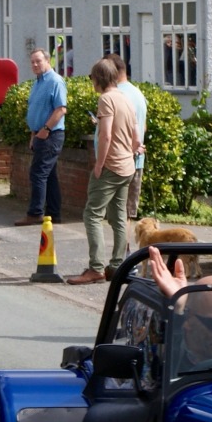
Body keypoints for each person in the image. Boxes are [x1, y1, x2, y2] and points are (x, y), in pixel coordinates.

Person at [66, 58, 139, 285]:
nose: (92, 82)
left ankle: (96, 268)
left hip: (111, 166)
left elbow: (105, 135)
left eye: (92, 78)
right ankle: (117, 266)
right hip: (127, 166)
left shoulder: (106, 99)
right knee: (119, 217)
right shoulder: (126, 99)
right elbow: (137, 136)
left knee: (92, 215)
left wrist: (99, 164)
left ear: (99, 78)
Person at [13, 47, 67, 225]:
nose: (35, 65)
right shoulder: (37, 82)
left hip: (51, 135)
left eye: (39, 61)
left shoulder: (55, 81)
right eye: (33, 62)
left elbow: (61, 109)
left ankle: (35, 212)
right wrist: (34, 134)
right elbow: (36, 110)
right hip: (39, 134)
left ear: (47, 61)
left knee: (38, 173)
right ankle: (53, 214)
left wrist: (45, 130)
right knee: (49, 175)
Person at [106, 53, 147, 220]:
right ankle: (127, 246)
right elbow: (142, 126)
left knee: (117, 214)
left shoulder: (116, 95)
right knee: (128, 213)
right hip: (135, 159)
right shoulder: (138, 93)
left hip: (119, 162)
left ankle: (123, 247)